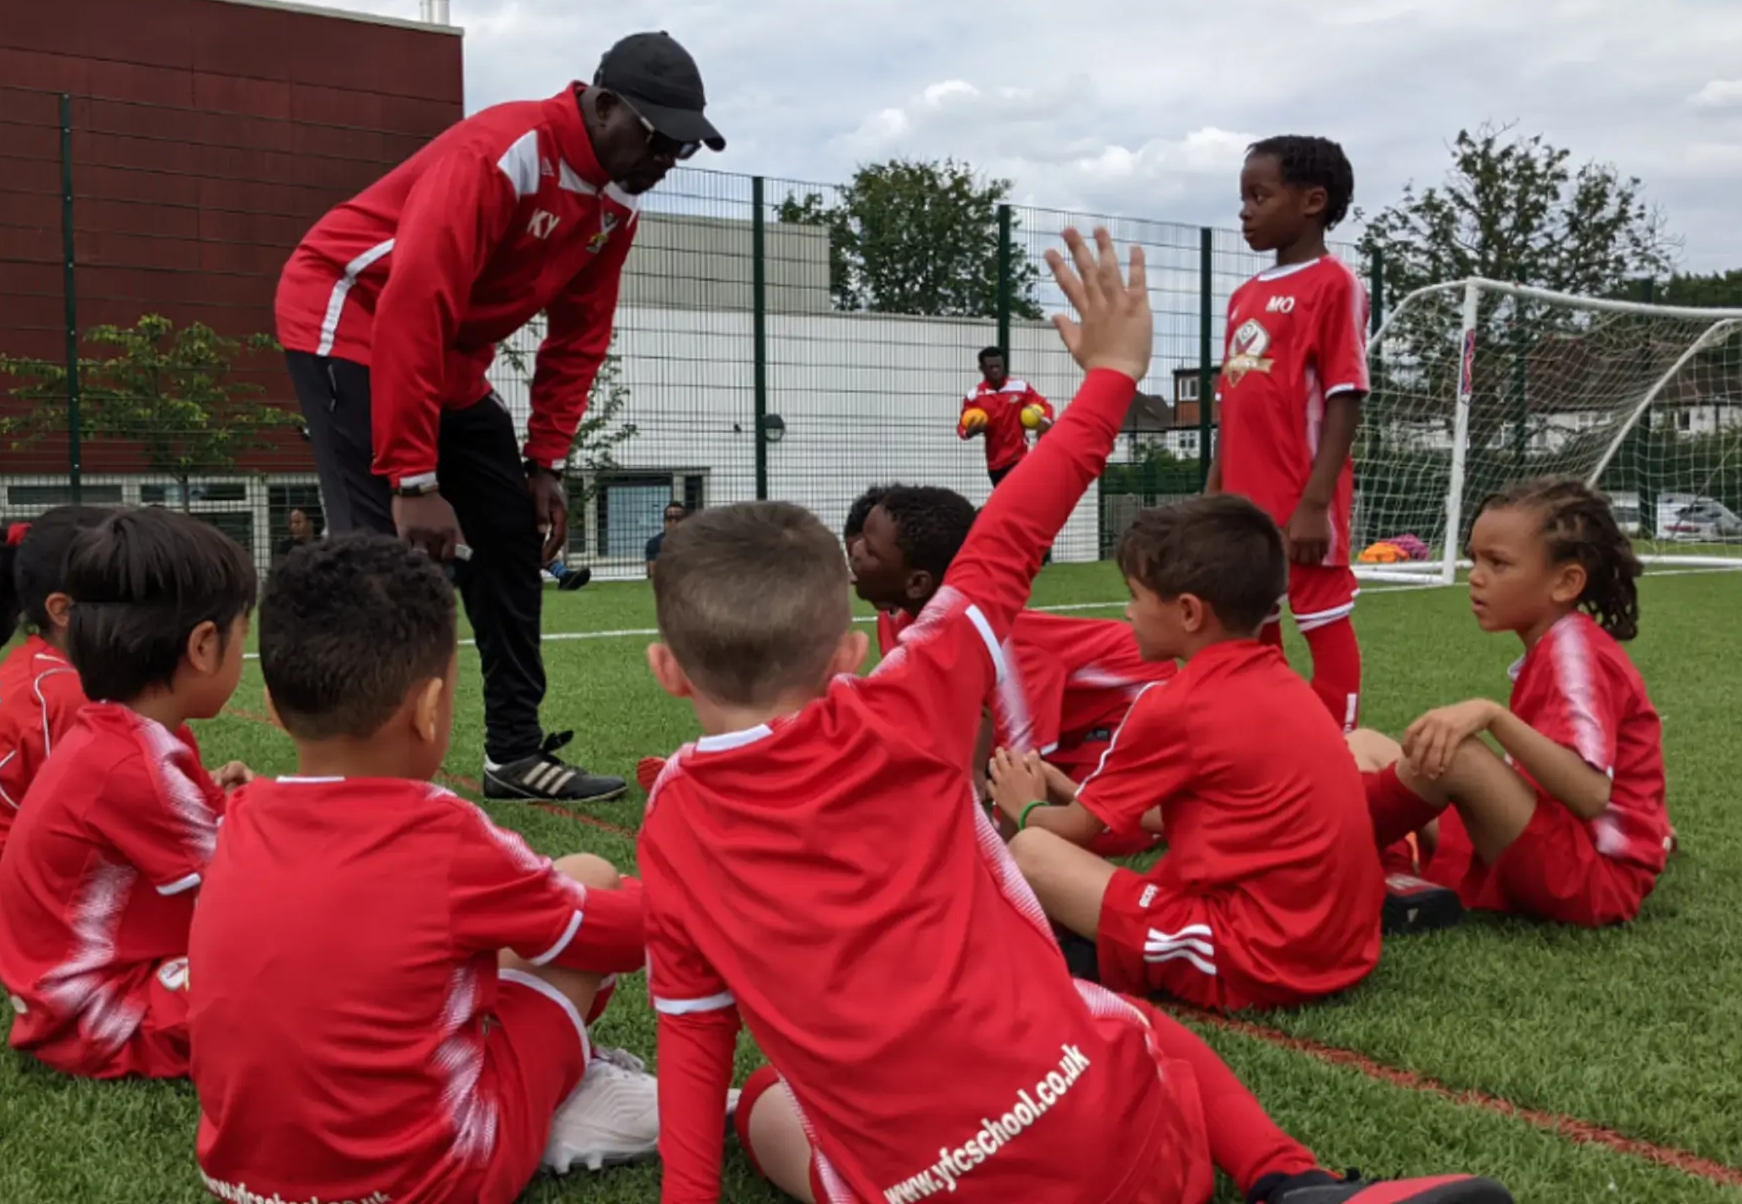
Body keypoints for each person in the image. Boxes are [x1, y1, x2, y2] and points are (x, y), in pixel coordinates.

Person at [640, 226, 1508, 1204]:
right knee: (1106, 1010)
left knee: (766, 1094)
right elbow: (1010, 534)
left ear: (667, 669)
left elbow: (692, 1028)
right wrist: (1110, 374)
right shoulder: (911, 700)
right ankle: (1290, 1180)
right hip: (1133, 1153)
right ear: (847, 652)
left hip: (942, 1183)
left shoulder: (673, 821)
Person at [275, 31, 725, 805]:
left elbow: (579, 336)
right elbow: (415, 296)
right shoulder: (504, 154)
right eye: (658, 139)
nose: (665, 162)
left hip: (447, 348)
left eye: (682, 150)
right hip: (352, 312)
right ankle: (361, 775)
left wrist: (545, 463)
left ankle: (514, 754)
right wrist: (412, 478)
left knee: (511, 533)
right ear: (603, 106)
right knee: (379, 556)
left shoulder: (617, 203)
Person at [190, 534, 659, 1204]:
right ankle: (571, 1092)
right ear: (430, 707)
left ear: (270, 704)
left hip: (237, 1176)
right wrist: (679, 895)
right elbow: (625, 936)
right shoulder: (443, 835)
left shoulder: (239, 819)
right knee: (590, 879)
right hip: (436, 1179)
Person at [988, 494, 1388, 1014]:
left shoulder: (1177, 704)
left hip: (1263, 960)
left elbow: (1072, 832)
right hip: (1343, 946)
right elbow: (1208, 813)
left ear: (1189, 612)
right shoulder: (1281, 681)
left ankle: (1115, 953)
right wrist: (1070, 788)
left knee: (1032, 852)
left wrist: (1024, 805)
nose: (1128, 611)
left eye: (1135, 595)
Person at [0, 509, 258, 1079]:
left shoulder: (113, 733)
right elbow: (255, 884)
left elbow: (209, 829)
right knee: (296, 968)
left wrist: (245, 809)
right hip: (98, 1012)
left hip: (67, 986)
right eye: (243, 635)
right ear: (204, 645)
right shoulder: (133, 766)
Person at [1355, 478, 1671, 928]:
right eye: (1475, 559)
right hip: (1550, 839)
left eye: (1498, 563)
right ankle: (1394, 875)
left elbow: (1590, 795)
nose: (1475, 577)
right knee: (1366, 743)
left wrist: (1492, 716)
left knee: (1458, 755)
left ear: (1566, 582)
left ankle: (1311, 843)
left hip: (1591, 878)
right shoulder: (1555, 644)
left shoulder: (1576, 654)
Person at [841, 482, 1174, 857]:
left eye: (869, 550)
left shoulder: (1004, 652)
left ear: (916, 583)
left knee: (1064, 830)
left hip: (1129, 711)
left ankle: (1158, 812)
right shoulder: (897, 620)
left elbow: (1021, 768)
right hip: (1072, 723)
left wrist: (992, 847)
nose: (854, 554)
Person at [1207, 135, 1368, 733]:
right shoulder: (1243, 297)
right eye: (1243, 197)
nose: (1245, 211)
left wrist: (1315, 503)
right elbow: (1232, 405)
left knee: (1322, 622)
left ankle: (1340, 751)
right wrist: (1215, 494)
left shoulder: (1334, 285)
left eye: (1259, 196)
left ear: (1312, 201)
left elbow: (1345, 395)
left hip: (1301, 501)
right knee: (1253, 626)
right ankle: (1272, 740)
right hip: (1243, 504)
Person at [0, 506, 114, 979]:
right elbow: (120, 829)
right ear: (64, 610)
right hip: (3, 925)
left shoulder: (37, 670)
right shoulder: (64, 695)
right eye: (130, 592)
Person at [959, 346, 1054, 487]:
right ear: (982, 368)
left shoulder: (1020, 387)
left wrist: (1045, 421)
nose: (996, 370)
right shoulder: (974, 396)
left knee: (1021, 493)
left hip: (1019, 457)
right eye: (991, 367)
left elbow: (1045, 405)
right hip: (995, 463)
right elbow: (961, 428)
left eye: (999, 366)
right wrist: (969, 432)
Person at [644, 501, 687, 579]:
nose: (674, 522)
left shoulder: (693, 543)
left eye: (678, 519)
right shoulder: (654, 544)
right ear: (664, 521)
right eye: (669, 518)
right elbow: (653, 574)